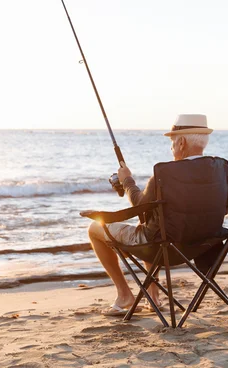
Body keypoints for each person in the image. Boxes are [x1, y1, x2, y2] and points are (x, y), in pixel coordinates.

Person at [88, 114, 214, 316]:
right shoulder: (218, 171)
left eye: (172, 142)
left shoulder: (165, 174)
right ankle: (153, 296)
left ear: (181, 142)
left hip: (164, 248)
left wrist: (127, 180)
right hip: (201, 246)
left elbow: (139, 204)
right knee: (153, 222)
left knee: (95, 229)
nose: (171, 147)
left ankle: (124, 295)